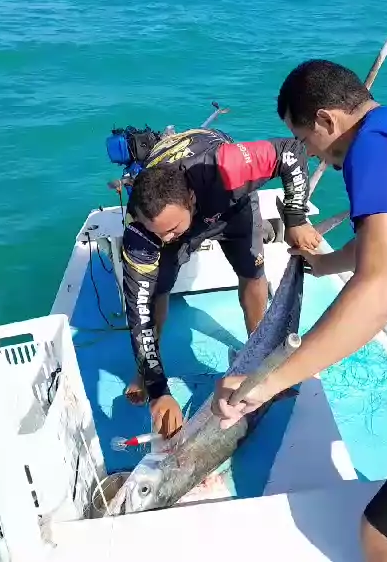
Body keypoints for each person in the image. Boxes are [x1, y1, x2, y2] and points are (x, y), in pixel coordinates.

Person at [213, 59, 387, 562]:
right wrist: (324, 264)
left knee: (385, 540)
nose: (312, 154)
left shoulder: (371, 149)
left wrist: (268, 381)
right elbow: (385, 239)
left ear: (326, 120)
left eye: (306, 140)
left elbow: (383, 290)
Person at [121, 126, 321, 439]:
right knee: (155, 295)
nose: (166, 239)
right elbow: (139, 312)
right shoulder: (143, 233)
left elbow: (291, 151)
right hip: (183, 215)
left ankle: (259, 353)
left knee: (252, 275)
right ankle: (147, 371)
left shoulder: (224, 166)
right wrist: (159, 390)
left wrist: (295, 218)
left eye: (171, 229)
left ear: (190, 199)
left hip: (231, 208)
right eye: (159, 233)